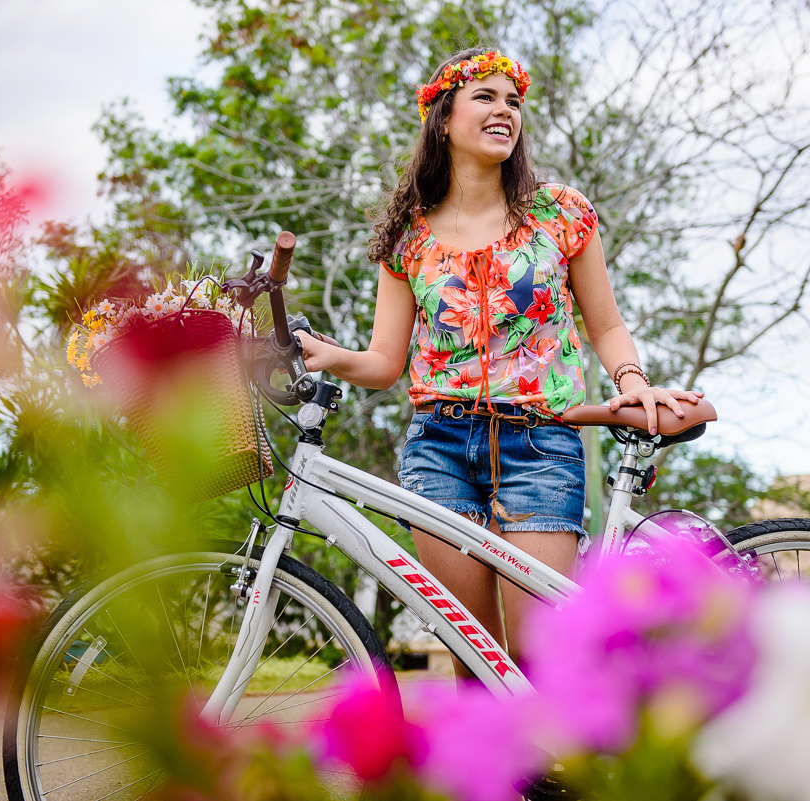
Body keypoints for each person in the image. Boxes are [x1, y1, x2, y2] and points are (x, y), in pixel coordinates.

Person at [296, 47, 702, 680]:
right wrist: (330, 356)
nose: (504, 110)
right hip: (439, 448)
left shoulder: (559, 214)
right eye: (485, 96)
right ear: (443, 115)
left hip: (539, 445)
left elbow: (607, 324)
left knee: (538, 657)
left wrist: (632, 380)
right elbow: (383, 361)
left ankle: (560, 773)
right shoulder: (409, 237)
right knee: (474, 660)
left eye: (513, 101)